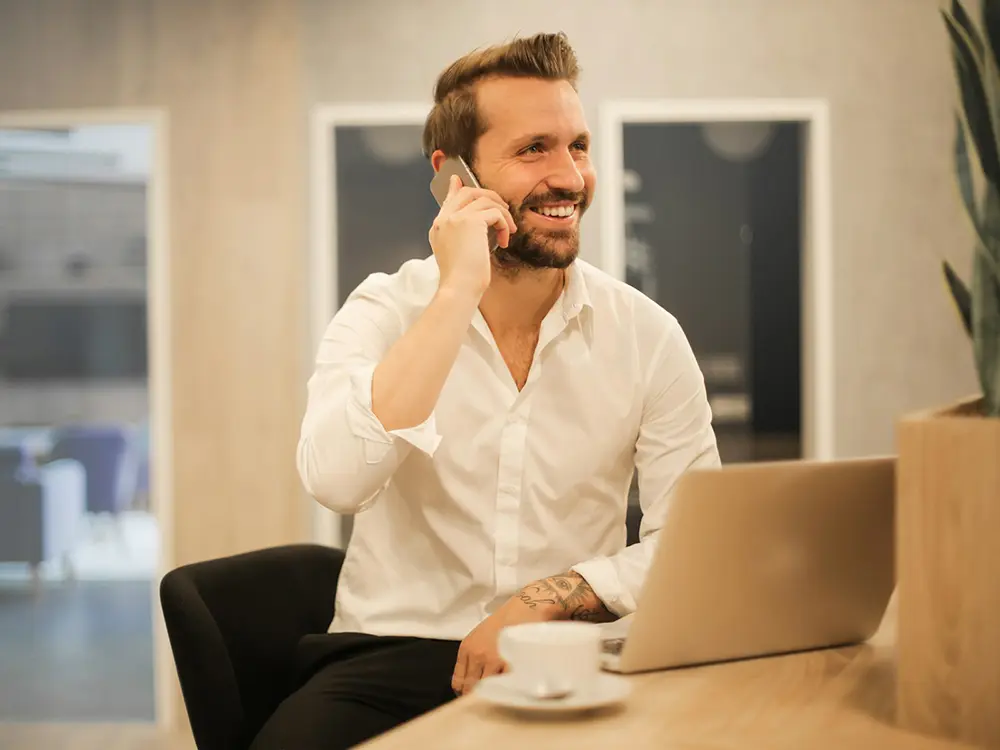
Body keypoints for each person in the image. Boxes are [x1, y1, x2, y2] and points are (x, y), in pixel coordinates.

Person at [250, 31, 720, 750]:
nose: (570, 177)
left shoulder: (648, 336)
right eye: (535, 149)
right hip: (391, 655)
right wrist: (456, 292)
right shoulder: (382, 311)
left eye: (579, 146)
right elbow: (338, 481)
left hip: (571, 654)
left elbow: (691, 543)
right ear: (455, 176)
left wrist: (544, 599)